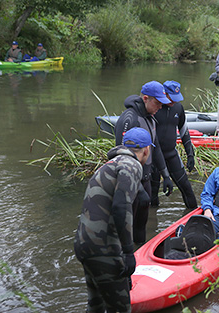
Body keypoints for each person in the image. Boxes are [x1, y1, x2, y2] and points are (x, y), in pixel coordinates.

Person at [74, 127, 153, 313]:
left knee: (96, 305)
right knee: (120, 309)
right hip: (104, 249)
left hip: (84, 245)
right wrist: (127, 252)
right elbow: (120, 206)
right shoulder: (132, 165)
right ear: (147, 150)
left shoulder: (110, 164)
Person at [114, 81, 174, 245]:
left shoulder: (151, 119)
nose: (160, 107)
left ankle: (139, 258)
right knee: (127, 227)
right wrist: (138, 188)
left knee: (142, 226)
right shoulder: (129, 119)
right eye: (158, 102)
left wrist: (166, 175)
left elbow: (157, 148)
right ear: (146, 98)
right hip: (130, 183)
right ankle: (125, 258)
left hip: (145, 179)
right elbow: (121, 157)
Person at [151, 80, 198, 211]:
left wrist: (190, 154)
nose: (174, 102)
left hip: (171, 155)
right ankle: (152, 226)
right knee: (152, 195)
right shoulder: (155, 109)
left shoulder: (178, 108)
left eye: (176, 99)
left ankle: (195, 219)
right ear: (164, 94)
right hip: (154, 157)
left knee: (187, 189)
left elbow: (184, 132)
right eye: (171, 98)